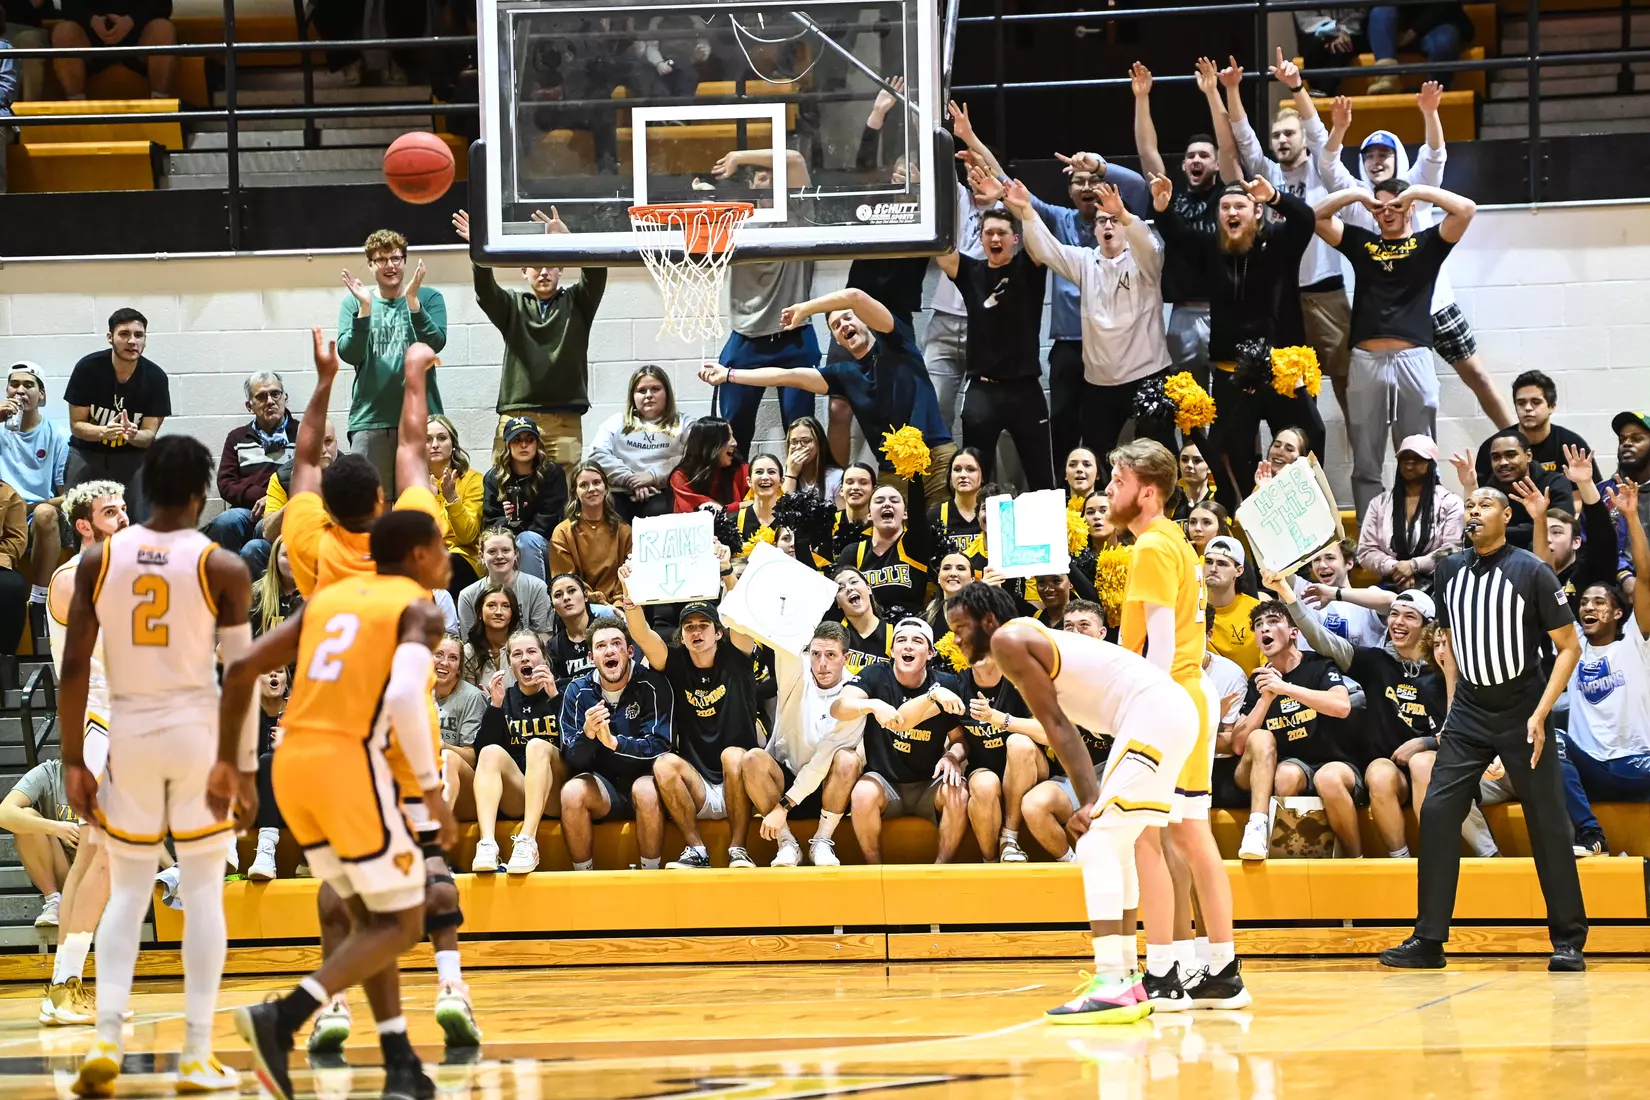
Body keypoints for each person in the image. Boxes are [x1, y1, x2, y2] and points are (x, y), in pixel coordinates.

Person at [224, 509, 459, 1098]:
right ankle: (282, 1018)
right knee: (407, 919)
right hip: (348, 765)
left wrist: (242, 769)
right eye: (441, 544)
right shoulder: (419, 607)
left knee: (369, 919)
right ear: (419, 556)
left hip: (292, 766)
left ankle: (399, 1059)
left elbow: (246, 664)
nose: (449, 554)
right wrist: (431, 790)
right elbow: (406, 693)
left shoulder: (326, 600)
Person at [57, 436, 248, 1095]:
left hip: (128, 734)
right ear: (202, 491)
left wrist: (73, 760)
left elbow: (77, 664)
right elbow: (244, 669)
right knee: (201, 893)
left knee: (129, 890)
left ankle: (106, 1036)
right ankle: (196, 1052)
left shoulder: (100, 560)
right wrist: (240, 763)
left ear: (144, 487)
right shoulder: (222, 564)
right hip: (195, 730)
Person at [948, 582, 1198, 1022]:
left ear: (987, 621)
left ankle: (1112, 982)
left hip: (1152, 714)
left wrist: (1089, 800)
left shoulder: (1009, 639)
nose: (955, 639)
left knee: (1098, 843)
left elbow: (1059, 726)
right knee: (1116, 847)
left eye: (960, 627)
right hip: (1167, 713)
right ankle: (1126, 980)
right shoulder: (1027, 639)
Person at [1380, 487, 1587, 971]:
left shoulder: (1532, 570)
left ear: (1506, 515)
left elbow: (1569, 648)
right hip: (1470, 709)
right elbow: (1451, 641)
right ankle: (1429, 939)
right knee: (1436, 812)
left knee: (1548, 822)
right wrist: (1453, 708)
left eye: (1485, 504)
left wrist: (1541, 712)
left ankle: (1568, 939)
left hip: (1523, 708)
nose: (1475, 511)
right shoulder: (1450, 569)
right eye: (1470, 505)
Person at [1107, 439, 1246, 1010]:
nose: (1108, 492)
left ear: (1146, 490)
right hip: (1190, 696)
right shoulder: (1171, 543)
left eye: (1116, 482)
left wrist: (1145, 714)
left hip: (1170, 696)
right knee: (1191, 833)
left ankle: (1162, 973)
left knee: (1146, 833)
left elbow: (1160, 646)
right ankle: (1222, 968)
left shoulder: (1152, 550)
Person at [1318, 89, 1513, 430]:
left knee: (1478, 376)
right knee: (1388, 404)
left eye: (1384, 154)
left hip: (1435, 305)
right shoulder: (1357, 200)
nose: (1376, 162)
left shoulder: (1414, 190)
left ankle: (1520, 444)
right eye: (1369, 156)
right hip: (1386, 320)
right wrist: (1338, 130)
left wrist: (1429, 113)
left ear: (1398, 159)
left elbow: (1435, 155)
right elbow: (1329, 169)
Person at [698, 285, 957, 507]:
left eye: (848, 318)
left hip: (935, 456)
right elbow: (786, 375)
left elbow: (854, 295)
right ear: (837, 339)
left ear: (864, 321)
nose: (844, 325)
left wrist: (805, 309)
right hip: (893, 471)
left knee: (946, 530)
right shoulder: (843, 374)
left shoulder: (897, 342)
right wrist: (729, 374)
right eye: (836, 325)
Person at [1154, 167, 1321, 499]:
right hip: (1232, 375)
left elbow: (1305, 219)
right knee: (1227, 457)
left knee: (1301, 446)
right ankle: (1243, 524)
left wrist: (1274, 196)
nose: (1231, 212)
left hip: (1281, 373)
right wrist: (1162, 208)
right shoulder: (1211, 247)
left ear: (1256, 211)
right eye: (1225, 207)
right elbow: (1178, 236)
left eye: (1239, 207)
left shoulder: (1278, 241)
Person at [1315, 178, 1477, 518]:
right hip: (1365, 360)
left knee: (1420, 453)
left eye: (1396, 205)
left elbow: (1465, 209)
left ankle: (1424, 530)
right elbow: (1315, 217)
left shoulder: (1428, 242)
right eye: (1380, 207)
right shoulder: (1363, 242)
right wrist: (1359, 195)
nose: (1388, 212)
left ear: (1410, 208)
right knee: (1366, 459)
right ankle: (1370, 539)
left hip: (1414, 357)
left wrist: (1416, 191)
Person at [1273, 574, 1446, 857]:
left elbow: (1458, 728)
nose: (1398, 622)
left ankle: (1437, 859)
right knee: (1378, 773)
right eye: (1394, 615)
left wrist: (1424, 743)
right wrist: (1288, 596)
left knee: (1422, 765)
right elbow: (1321, 639)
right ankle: (1399, 860)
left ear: (1427, 627)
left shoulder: (1444, 670)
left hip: (1432, 768)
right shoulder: (1374, 662)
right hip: (1390, 773)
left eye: (1409, 617)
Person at [1220, 51, 1352, 419]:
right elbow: (1245, 138)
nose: (1280, 140)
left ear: (1303, 140)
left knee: (1344, 383)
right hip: (1282, 299)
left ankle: (1362, 463)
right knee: (1289, 391)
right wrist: (1232, 89)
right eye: (1276, 135)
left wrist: (1295, 87)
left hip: (1326, 291)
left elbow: (1318, 130)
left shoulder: (1322, 172)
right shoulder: (1268, 175)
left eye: (1288, 133)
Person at [1004, 177, 1173, 461]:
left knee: (1158, 460)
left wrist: (1125, 215)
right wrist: (1026, 212)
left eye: (1114, 221)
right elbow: (1048, 250)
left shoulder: (1144, 260)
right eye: (1101, 221)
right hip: (1100, 385)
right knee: (1097, 461)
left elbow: (1148, 243)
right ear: (1093, 230)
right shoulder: (1085, 261)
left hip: (1147, 376)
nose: (1108, 226)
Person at [281, 328, 443, 601]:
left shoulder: (312, 541)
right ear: (380, 498)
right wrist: (415, 375)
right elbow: (412, 450)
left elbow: (305, 462)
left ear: (326, 505)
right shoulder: (412, 536)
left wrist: (324, 380)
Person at [619, 581, 762, 870]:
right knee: (663, 765)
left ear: (718, 632)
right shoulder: (675, 663)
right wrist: (630, 596)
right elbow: (643, 635)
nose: (696, 631)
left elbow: (745, 618)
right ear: (681, 637)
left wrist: (727, 574)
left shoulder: (736, 658)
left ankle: (738, 849)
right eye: (689, 627)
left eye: (703, 625)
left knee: (732, 755)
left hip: (742, 784)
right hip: (699, 787)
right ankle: (697, 850)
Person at [452, 207, 606, 465]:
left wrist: (570, 240)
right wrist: (479, 250)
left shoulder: (579, 303)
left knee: (565, 491)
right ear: (524, 270)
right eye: (536, 265)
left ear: (561, 269)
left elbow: (596, 271)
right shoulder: (512, 305)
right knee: (505, 488)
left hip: (565, 420)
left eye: (551, 265)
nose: (543, 271)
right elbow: (486, 291)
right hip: (516, 416)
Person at [1554, 480, 1650, 856]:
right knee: (1549, 738)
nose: (1589, 608)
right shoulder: (1572, 644)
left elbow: (1644, 576)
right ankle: (1591, 835)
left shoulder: (1637, 642)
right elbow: (1543, 584)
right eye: (1586, 603)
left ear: (1617, 612)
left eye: (1599, 602)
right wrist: (1536, 523)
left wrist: (1630, 516)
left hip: (1638, 765)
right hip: (1591, 766)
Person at [933, 204, 1054, 491]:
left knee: (1041, 477)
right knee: (973, 478)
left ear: (1015, 239)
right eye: (989, 233)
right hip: (982, 390)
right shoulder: (970, 271)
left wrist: (1009, 199)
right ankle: (974, 531)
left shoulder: (1030, 266)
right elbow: (939, 248)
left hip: (1026, 389)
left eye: (1002, 233)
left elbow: (1040, 233)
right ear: (981, 237)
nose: (995, 239)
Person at [1230, 599, 1362, 852]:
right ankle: (1286, 851)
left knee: (1329, 778)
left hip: (1335, 761)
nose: (1264, 629)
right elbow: (1239, 745)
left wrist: (1286, 689)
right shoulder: (1258, 679)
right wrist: (1267, 698)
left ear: (1294, 632)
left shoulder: (1318, 664)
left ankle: (1357, 858)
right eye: (1259, 625)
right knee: (1284, 773)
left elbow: (1341, 706)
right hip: (1291, 764)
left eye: (1273, 622)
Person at [1131, 61, 1231, 382]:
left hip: (1225, 308)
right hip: (1184, 311)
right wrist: (1142, 98)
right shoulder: (1168, 194)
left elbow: (1228, 145)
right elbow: (1148, 152)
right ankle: (1190, 438)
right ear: (1184, 164)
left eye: (1204, 155)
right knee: (1188, 405)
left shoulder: (1227, 195)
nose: (1196, 160)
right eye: (1190, 156)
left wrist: (1213, 93)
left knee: (1235, 403)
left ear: (1216, 164)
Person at [745, 622, 875, 867]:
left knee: (848, 759)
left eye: (831, 655)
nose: (822, 663)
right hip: (786, 777)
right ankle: (786, 843)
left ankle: (822, 841)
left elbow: (822, 761)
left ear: (845, 658)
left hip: (828, 784)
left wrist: (783, 807)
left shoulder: (855, 693)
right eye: (816, 654)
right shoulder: (797, 674)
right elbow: (784, 638)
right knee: (752, 758)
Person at [848, 618, 970, 865]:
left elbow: (960, 740)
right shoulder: (875, 675)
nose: (908, 646)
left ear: (930, 653)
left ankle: (941, 868)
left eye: (917, 641)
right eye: (901, 640)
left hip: (928, 784)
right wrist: (870, 704)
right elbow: (841, 705)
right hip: (884, 782)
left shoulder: (946, 683)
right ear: (892, 651)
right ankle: (875, 869)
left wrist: (952, 756)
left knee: (958, 790)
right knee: (862, 792)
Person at [557, 615, 671, 870]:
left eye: (617, 643)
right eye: (600, 646)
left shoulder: (652, 685)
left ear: (630, 651)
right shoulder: (577, 691)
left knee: (645, 789)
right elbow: (570, 758)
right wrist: (587, 735)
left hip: (646, 781)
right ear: (591, 658)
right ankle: (583, 878)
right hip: (603, 788)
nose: (609, 650)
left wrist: (615, 743)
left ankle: (650, 876)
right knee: (572, 792)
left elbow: (660, 747)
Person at [338, 228, 447, 494]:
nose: (390, 265)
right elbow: (349, 353)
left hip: (422, 418)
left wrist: (412, 303)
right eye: (382, 259)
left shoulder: (428, 297)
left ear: (405, 261)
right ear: (370, 264)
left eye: (396, 258)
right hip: (371, 420)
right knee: (370, 508)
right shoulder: (354, 303)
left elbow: (436, 343)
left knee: (420, 505)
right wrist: (364, 310)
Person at [471, 630, 565, 874]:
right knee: (491, 752)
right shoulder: (506, 698)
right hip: (521, 792)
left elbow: (578, 746)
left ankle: (527, 841)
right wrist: (495, 706)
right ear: (510, 664)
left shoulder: (563, 691)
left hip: (556, 792)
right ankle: (488, 844)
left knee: (536, 745)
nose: (525, 658)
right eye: (517, 654)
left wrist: (555, 697)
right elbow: (480, 753)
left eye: (532, 651)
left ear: (544, 658)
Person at [63, 307, 169, 521]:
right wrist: (104, 432)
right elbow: (76, 425)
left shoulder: (156, 377)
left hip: (132, 455)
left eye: (138, 335)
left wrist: (133, 435)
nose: (132, 341)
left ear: (145, 340)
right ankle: (82, 554)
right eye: (124, 334)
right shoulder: (88, 368)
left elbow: (149, 435)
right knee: (78, 519)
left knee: (137, 519)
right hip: (87, 452)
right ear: (110, 337)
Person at [0, 362, 70, 626]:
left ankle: (39, 601)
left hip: (33, 513)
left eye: (28, 385)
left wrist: (27, 507)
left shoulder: (57, 435)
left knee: (46, 513)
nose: (20, 391)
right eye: (14, 384)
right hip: (2, 512)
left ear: (41, 395)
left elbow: (66, 495)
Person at [208, 371, 298, 560]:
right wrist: (261, 496)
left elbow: (316, 475)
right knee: (225, 521)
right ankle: (227, 580)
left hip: (285, 511)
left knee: (257, 539)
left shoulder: (303, 434)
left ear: (285, 398)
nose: (270, 401)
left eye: (275, 394)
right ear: (250, 405)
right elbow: (226, 483)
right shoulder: (237, 437)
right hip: (247, 511)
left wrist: (274, 500)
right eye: (261, 396)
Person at [1358, 434, 1464, 591]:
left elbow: (1454, 549)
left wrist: (1415, 565)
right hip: (1391, 581)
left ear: (1432, 464)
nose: (1409, 464)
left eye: (1418, 458)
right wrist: (1398, 568)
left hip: (1438, 584)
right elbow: (1366, 551)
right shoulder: (1379, 503)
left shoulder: (1450, 502)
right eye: (1405, 458)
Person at [587, 365, 690, 520]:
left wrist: (653, 475)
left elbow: (693, 455)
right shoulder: (616, 422)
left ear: (667, 393)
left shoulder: (684, 423)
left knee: (659, 510)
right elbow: (597, 455)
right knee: (607, 509)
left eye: (655, 389)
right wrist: (631, 479)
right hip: (621, 491)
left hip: (663, 492)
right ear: (632, 396)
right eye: (642, 390)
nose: (648, 395)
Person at [1472, 371, 1601, 488]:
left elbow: (1591, 497)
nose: (1528, 408)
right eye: (1521, 403)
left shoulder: (1571, 445)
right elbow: (1482, 500)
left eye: (1536, 402)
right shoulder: (1492, 447)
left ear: (1551, 407)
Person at [1453, 430, 1574, 551]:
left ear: (1528, 456)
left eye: (1511, 455)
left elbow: (1556, 529)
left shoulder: (1554, 483)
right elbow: (1474, 534)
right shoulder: (1489, 489)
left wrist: (1494, 531)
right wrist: (1470, 486)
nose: (1503, 462)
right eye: (1496, 457)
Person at [482, 416, 568, 580]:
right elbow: (490, 523)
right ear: (507, 444)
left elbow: (549, 521)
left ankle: (535, 601)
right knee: (496, 547)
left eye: (530, 439)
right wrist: (509, 521)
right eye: (517, 440)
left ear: (537, 443)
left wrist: (519, 522)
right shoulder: (494, 477)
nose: (523, 445)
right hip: (508, 544)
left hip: (543, 545)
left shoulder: (552, 473)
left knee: (526, 540)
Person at [835, 484, 932, 619]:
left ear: (905, 513)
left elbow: (918, 513)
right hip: (866, 632)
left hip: (907, 632)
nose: (887, 504)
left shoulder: (914, 545)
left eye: (894, 500)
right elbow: (836, 595)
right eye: (879, 501)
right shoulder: (853, 552)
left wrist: (914, 472)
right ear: (869, 514)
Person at [49, 0, 177, 98]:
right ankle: (76, 109)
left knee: (163, 29)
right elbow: (68, 6)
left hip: (139, 32)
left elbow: (163, 5)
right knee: (63, 32)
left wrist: (132, 20)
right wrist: (91, 20)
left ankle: (160, 105)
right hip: (91, 34)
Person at [550, 462, 631, 604]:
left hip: (620, 606)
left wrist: (618, 606)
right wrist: (600, 604)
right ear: (575, 492)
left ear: (605, 487)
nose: (591, 489)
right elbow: (565, 581)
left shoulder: (624, 530)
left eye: (596, 482)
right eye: (584, 485)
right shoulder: (562, 532)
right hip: (581, 605)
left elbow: (630, 576)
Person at [427, 414, 484, 598]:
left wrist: (451, 499)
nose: (435, 444)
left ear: (453, 444)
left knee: (447, 562)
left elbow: (468, 535)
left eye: (442, 438)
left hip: (463, 557)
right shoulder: (414, 482)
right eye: (428, 439)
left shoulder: (473, 480)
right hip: (426, 556)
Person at [457, 529, 553, 638]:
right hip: (485, 653)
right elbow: (469, 642)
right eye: (492, 551)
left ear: (516, 553)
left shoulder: (537, 587)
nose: (499, 556)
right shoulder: (467, 595)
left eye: (505, 550)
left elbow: (544, 636)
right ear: (481, 556)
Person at [244, 665, 291, 881]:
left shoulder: (300, 712)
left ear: (286, 682)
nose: (273, 674)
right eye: (266, 670)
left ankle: (267, 849)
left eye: (279, 671)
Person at [1366, 2, 1471, 92]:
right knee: (1380, 12)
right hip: (1396, 27)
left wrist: (1415, 30)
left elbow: (1446, 5)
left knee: (1445, 41)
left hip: (1436, 23)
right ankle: (1387, 78)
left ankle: (1434, 92)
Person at [435, 633, 485, 818]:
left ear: (459, 668)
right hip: (425, 780)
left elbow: (472, 758)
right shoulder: (417, 694)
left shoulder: (472, 697)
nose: (444, 663)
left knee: (447, 757)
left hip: (465, 787)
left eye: (453, 658)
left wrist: (441, 746)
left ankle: (435, 835)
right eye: (438, 654)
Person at [1605, 411, 1650, 593]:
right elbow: (1590, 543)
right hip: (1611, 589)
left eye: (1637, 439)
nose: (1627, 444)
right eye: (1622, 439)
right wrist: (1623, 575)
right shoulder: (1603, 493)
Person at [1204, 536, 1262, 674]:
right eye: (1208, 562)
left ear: (1239, 570)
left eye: (1222, 564)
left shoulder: (1257, 613)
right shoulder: (1189, 607)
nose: (1213, 568)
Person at [669, 417, 749, 513]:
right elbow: (706, 512)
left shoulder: (741, 469)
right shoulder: (681, 477)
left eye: (732, 436)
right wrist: (740, 506)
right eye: (727, 437)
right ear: (709, 445)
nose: (734, 443)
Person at [834, 565, 894, 676]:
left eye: (854, 582)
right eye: (840, 588)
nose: (849, 588)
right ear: (838, 603)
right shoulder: (832, 635)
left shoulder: (893, 634)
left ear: (869, 588)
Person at [1294, 8, 1368, 94]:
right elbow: (1306, 17)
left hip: (1351, 31)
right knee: (1313, 44)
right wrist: (1331, 31)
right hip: (1317, 30)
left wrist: (1344, 31)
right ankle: (1319, 90)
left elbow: (1361, 12)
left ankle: (1324, 90)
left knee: (1342, 46)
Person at [928, 448, 986, 557]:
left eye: (970, 469)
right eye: (957, 469)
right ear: (950, 477)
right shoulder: (933, 517)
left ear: (983, 476)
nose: (963, 475)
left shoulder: (995, 513)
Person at [462, 584, 518, 686]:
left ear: (512, 613)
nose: (498, 612)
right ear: (480, 613)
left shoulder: (523, 646)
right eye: (491, 605)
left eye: (505, 606)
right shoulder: (469, 652)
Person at [780, 415, 841, 503]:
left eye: (806, 441)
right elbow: (783, 511)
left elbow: (841, 516)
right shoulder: (781, 475)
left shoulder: (836, 476)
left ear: (819, 443)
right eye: (794, 442)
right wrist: (791, 474)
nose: (799, 447)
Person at [733, 453, 784, 552]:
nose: (765, 477)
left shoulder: (792, 520)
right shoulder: (735, 520)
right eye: (759, 472)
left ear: (781, 481)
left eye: (771, 472)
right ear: (749, 481)